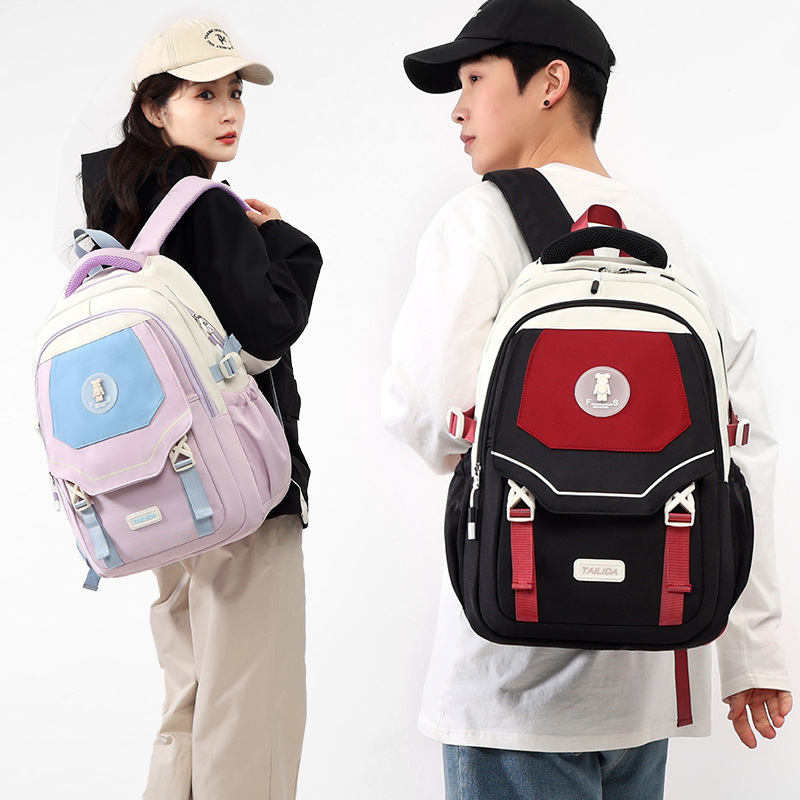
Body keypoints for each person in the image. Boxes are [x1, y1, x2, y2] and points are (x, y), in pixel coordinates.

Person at [381, 1, 791, 797]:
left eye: (474, 79)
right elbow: (742, 448)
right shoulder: (667, 241)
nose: (458, 108)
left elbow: (424, 413)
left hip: (511, 678)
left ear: (551, 82)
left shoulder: (478, 222)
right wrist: (753, 654)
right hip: (647, 673)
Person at [80, 19, 321, 800]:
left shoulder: (117, 213)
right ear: (155, 108)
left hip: (162, 491)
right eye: (203, 94)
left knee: (187, 704)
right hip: (242, 496)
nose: (229, 111)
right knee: (251, 715)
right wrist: (287, 244)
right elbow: (265, 333)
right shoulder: (208, 208)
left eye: (235, 93)